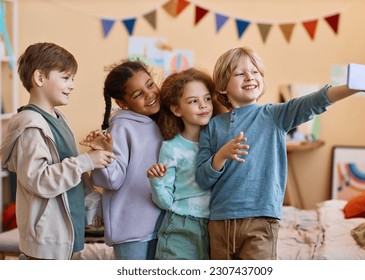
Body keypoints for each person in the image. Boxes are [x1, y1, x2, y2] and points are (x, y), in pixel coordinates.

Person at [195, 46, 365, 260]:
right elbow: (202, 178)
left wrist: (352, 87)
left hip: (262, 220)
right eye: (239, 73)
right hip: (220, 222)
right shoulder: (212, 126)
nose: (250, 77)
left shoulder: (275, 115)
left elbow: (314, 101)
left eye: (255, 72)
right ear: (222, 87)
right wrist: (221, 155)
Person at [0, 42, 114, 260]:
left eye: (73, 79)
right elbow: (39, 180)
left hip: (67, 233)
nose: (72, 85)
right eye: (66, 77)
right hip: (47, 239)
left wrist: (93, 206)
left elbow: (75, 175)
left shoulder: (60, 119)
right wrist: (86, 161)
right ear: (40, 78)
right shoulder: (31, 126)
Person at [79, 60, 164, 260]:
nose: (149, 94)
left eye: (150, 84)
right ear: (123, 103)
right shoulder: (121, 127)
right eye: (138, 94)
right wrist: (105, 154)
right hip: (130, 228)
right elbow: (111, 180)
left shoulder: (161, 121)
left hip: (159, 223)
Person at [146, 68, 215, 260]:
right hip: (181, 226)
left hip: (216, 226)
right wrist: (156, 181)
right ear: (177, 109)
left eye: (207, 98)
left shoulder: (220, 143)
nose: (203, 105)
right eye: (193, 101)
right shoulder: (171, 148)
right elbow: (165, 202)